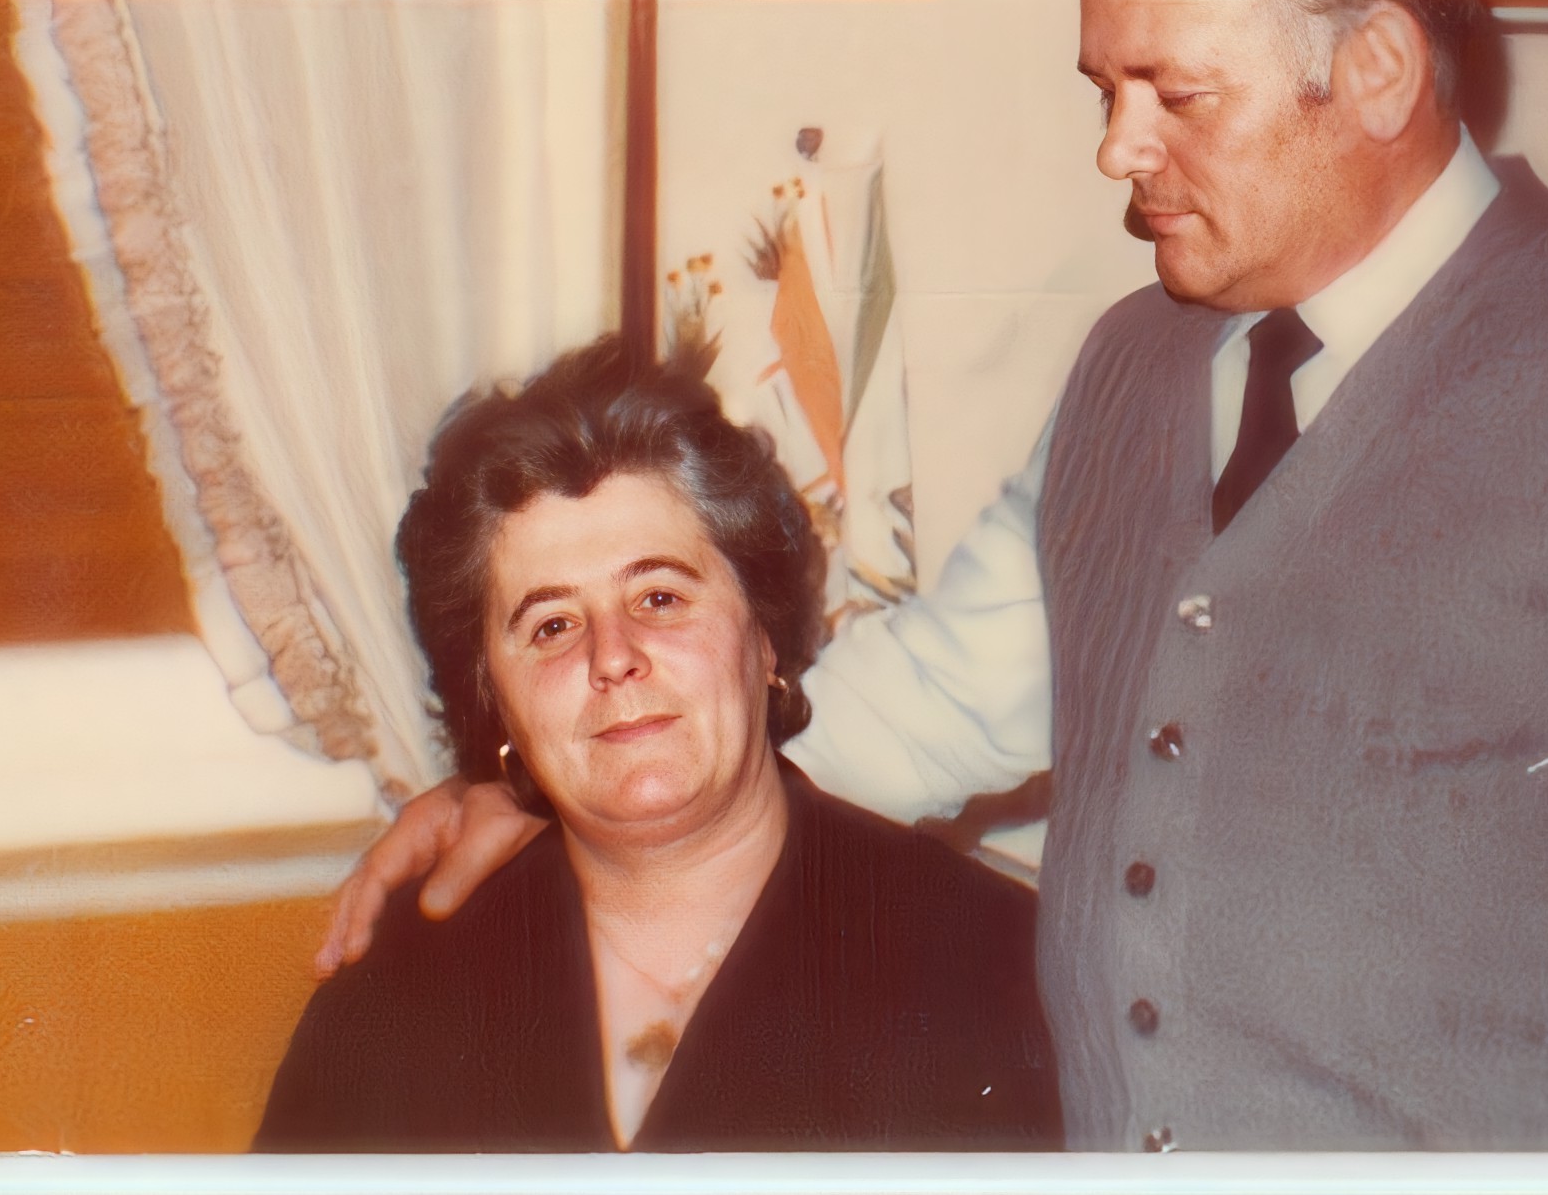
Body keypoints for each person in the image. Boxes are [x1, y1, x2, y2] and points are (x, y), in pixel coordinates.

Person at [315, 0, 1548, 1152]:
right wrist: (559, 791)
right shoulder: (1130, 367)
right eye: (1104, 90)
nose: (1116, 148)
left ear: (1378, 72)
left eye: (1174, 94)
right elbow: (931, 704)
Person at [259, 337, 1061, 1151]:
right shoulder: (400, 991)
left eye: (660, 597)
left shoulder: (988, 965)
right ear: (494, 698)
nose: (612, 657)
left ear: (764, 636)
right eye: (553, 625)